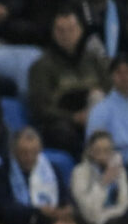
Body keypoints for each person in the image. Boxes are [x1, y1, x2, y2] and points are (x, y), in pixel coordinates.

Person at [27, 10, 109, 154]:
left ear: (80, 30)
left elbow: (110, 90)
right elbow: (40, 109)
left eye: (71, 29)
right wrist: (74, 118)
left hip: (97, 114)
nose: (66, 35)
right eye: (60, 30)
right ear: (53, 33)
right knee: (61, 132)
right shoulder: (41, 66)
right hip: (64, 123)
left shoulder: (95, 61)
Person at [71, 131, 128, 224]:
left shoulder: (119, 171)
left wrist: (109, 216)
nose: (103, 155)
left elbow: (124, 203)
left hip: (117, 220)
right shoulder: (79, 172)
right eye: (98, 151)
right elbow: (88, 211)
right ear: (90, 151)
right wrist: (103, 183)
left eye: (107, 151)